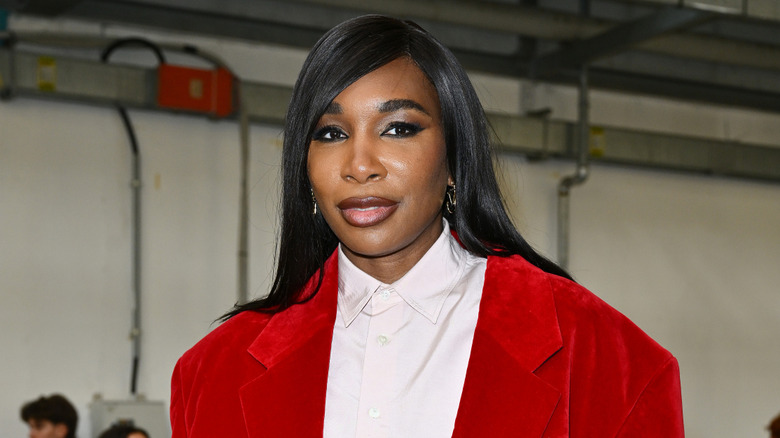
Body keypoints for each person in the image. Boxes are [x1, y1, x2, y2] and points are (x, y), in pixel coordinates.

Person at [170, 14, 684, 437]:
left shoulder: (607, 358)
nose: (360, 163)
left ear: (456, 155)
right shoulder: (210, 373)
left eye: (399, 128)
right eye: (330, 133)